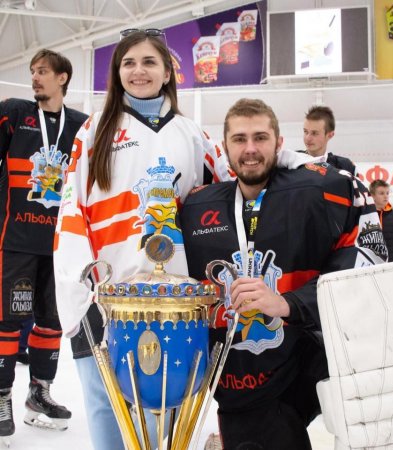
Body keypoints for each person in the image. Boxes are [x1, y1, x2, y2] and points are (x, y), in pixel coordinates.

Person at [53, 29, 235, 450]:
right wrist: (82, 288)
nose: (139, 71)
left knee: (166, 407)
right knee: (106, 406)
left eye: (149, 62)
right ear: (117, 73)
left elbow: (232, 191)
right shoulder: (94, 131)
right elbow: (70, 210)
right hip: (106, 297)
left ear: (168, 72)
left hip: (176, 302)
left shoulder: (194, 135)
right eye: (129, 63)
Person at [180, 98, 388, 450]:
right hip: (241, 381)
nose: (250, 149)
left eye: (260, 138)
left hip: (308, 359)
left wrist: (289, 303)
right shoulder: (197, 206)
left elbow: (369, 257)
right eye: (239, 139)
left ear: (279, 143)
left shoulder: (322, 189)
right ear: (225, 147)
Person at [0, 49, 88, 440]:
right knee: (7, 320)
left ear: (62, 77)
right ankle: (2, 395)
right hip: (15, 240)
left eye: (43, 71)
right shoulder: (14, 113)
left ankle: (40, 393)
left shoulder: (82, 126)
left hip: (59, 244)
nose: (35, 77)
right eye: (32, 71)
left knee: (51, 320)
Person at [300, 105, 358, 175]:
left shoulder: (345, 166)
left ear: (330, 135)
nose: (308, 138)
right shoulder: (291, 162)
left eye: (314, 133)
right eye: (305, 131)